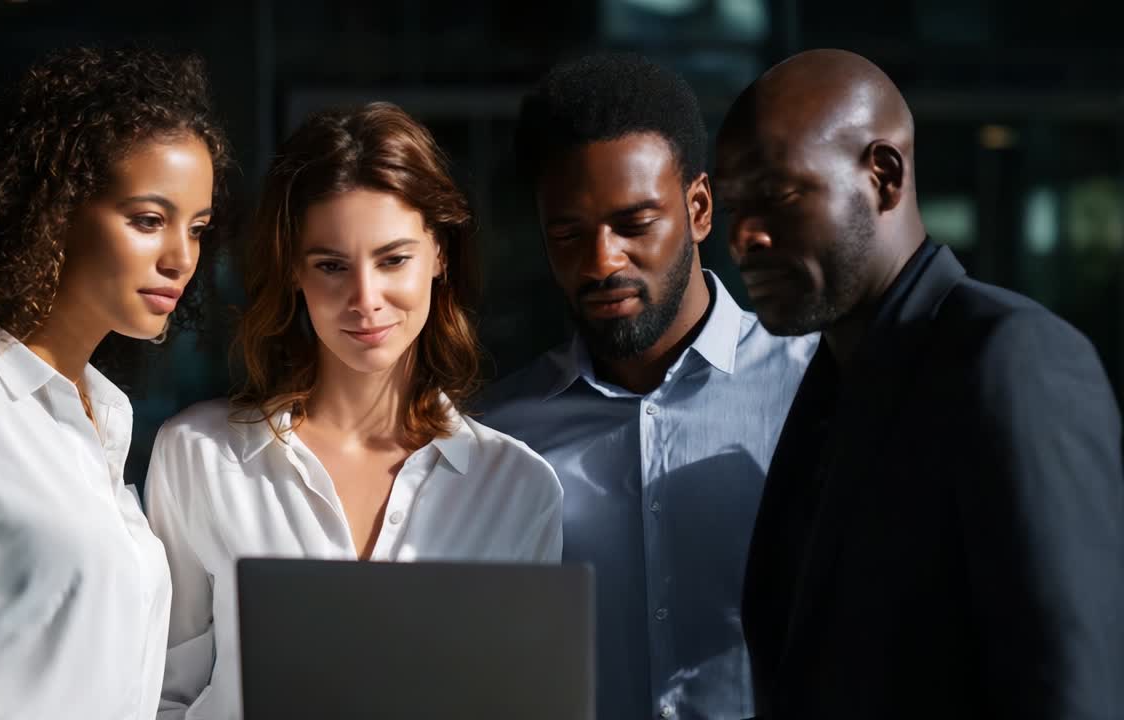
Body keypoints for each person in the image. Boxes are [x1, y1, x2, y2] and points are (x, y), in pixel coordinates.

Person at [714, 48, 1124, 719]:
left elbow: (1070, 685)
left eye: (777, 195)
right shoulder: (829, 386)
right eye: (733, 208)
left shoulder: (1012, 358)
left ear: (883, 176)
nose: (742, 238)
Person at [146, 101, 563, 720]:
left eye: (394, 259)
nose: (365, 300)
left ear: (440, 255)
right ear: (293, 270)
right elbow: (165, 696)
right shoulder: (197, 457)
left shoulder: (518, 487)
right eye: (332, 266)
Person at [0, 47, 233, 720]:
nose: (181, 258)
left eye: (197, 229)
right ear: (56, 211)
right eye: (149, 220)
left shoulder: (107, 418)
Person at [478, 53, 817, 720]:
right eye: (569, 234)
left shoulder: (814, 389)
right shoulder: (497, 432)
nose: (603, 261)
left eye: (634, 225)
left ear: (698, 209)